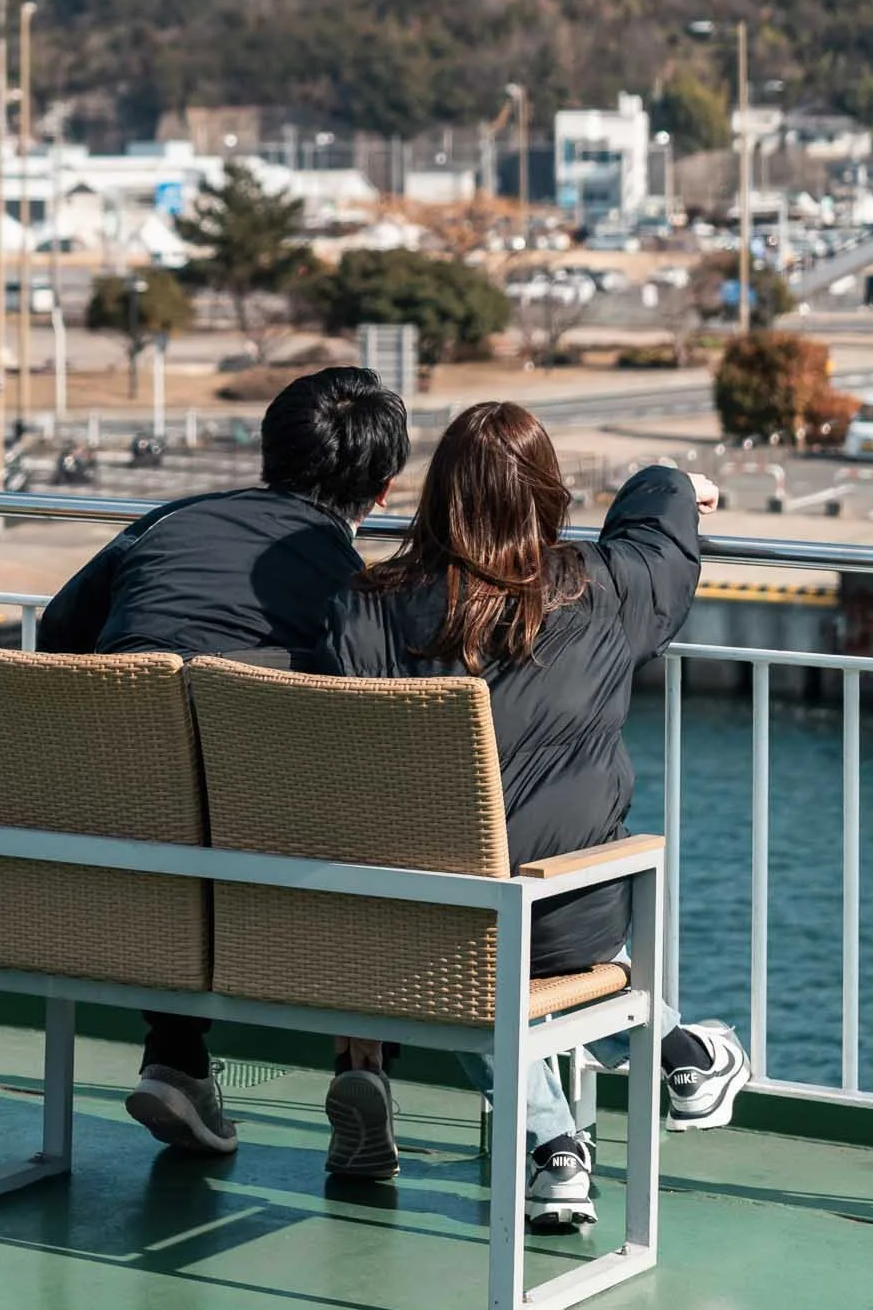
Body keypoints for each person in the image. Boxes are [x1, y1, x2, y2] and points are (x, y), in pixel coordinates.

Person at [314, 402, 749, 1219]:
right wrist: (671, 486)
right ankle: (674, 1050)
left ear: (436, 495)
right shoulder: (601, 588)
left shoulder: (359, 611)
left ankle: (556, 1146)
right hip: (571, 914)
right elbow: (657, 542)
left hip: (429, 926)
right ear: (548, 495)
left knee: (470, 951)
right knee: (521, 949)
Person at [36, 363, 410, 1158]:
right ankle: (365, 1064)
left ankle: (176, 1059)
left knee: (178, 816)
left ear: (266, 456)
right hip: (276, 851)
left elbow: (56, 634)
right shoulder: (356, 584)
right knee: (387, 841)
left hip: (111, 836)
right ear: (381, 494)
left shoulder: (164, 525)